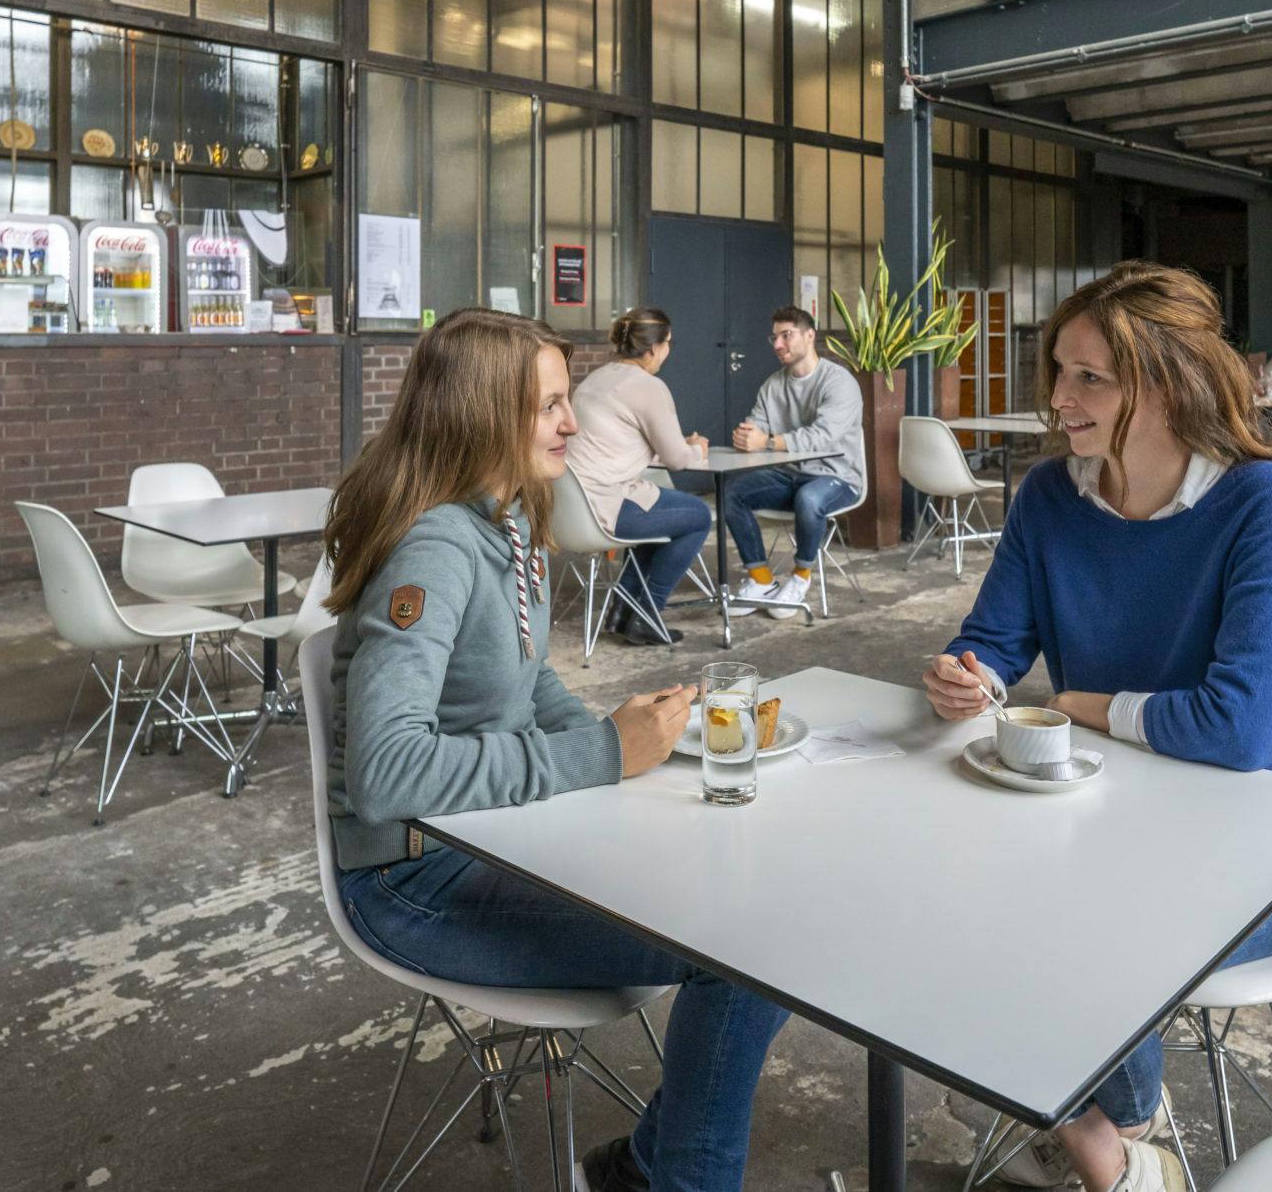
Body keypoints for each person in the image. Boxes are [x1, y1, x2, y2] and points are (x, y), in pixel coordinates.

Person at [324, 309, 789, 1192]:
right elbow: (387, 774)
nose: (572, 424)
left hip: (494, 840)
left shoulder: (500, 522)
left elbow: (523, 680)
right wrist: (603, 757)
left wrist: (622, 736)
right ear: (479, 414)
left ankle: (650, 1166)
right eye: (548, 408)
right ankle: (665, 1178)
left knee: (766, 905)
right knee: (752, 950)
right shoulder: (433, 548)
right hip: (415, 882)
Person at [921, 262, 1272, 1192]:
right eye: (1060, 372)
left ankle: (1102, 1140)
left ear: (1163, 383)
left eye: (1088, 377)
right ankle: (1102, 1127)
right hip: (1103, 820)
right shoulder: (1047, 496)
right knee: (931, 894)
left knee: (1056, 932)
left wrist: (1081, 706)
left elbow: (1239, 729)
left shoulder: (1264, 502)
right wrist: (970, 676)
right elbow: (994, 638)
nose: (1057, 398)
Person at [567, 307, 713, 645]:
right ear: (652, 349)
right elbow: (677, 460)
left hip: (573, 510)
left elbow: (625, 439)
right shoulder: (648, 386)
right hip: (607, 509)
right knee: (697, 516)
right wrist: (699, 449)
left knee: (657, 513)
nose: (668, 351)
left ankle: (622, 611)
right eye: (668, 344)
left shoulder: (595, 378)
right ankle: (646, 613)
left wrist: (676, 445)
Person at [723, 304, 866, 617]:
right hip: (787, 475)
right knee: (731, 492)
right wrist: (748, 436)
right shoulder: (773, 385)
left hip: (837, 476)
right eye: (774, 338)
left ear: (810, 336)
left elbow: (822, 438)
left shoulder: (839, 383)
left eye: (786, 335)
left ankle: (801, 576)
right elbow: (756, 423)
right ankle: (762, 579)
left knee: (810, 497)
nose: (777, 345)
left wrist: (769, 441)